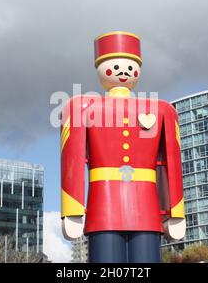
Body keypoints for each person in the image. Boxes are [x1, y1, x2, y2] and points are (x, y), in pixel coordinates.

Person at [60, 31, 185, 263]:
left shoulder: (162, 110)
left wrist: (174, 211)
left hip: (146, 204)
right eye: (114, 66)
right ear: (100, 69)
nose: (123, 72)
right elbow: (72, 157)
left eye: (131, 66)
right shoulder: (82, 106)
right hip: (103, 204)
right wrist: (72, 209)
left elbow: (171, 161)